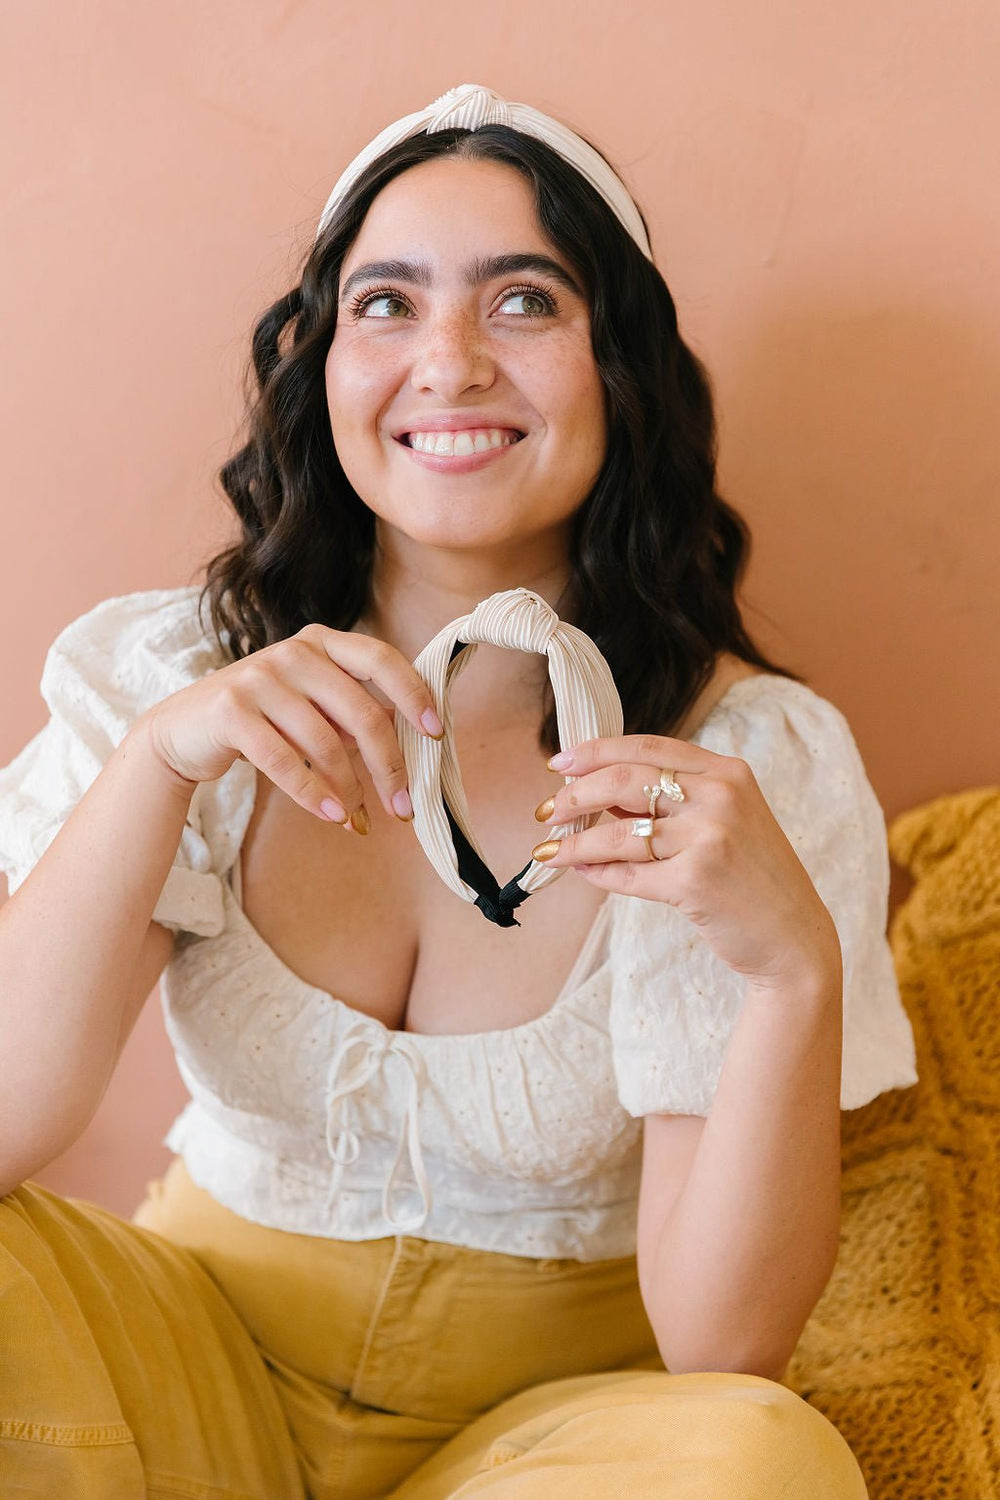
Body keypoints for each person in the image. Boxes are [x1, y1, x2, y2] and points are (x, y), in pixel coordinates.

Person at [0, 84, 917, 1498]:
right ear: (322, 368)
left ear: (621, 367)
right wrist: (158, 764)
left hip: (548, 1439)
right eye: (387, 304)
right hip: (188, 1375)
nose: (449, 363)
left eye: (524, 302)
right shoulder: (180, 678)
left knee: (761, 1456)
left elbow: (724, 1349)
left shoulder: (751, 765)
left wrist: (791, 967)